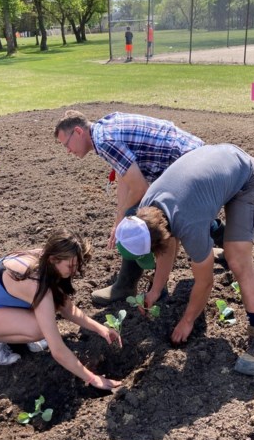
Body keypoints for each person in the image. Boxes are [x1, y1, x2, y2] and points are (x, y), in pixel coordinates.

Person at [112, 144, 254, 376]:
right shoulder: (148, 208)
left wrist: (187, 321)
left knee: (238, 260)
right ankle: (211, 250)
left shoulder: (189, 223)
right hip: (216, 165)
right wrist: (156, 290)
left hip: (246, 177)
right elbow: (167, 244)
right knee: (212, 246)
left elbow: (205, 282)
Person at [54, 110, 224, 305]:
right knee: (164, 216)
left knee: (140, 224)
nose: (68, 150)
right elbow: (124, 180)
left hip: (190, 166)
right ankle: (227, 248)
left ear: (78, 131)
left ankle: (127, 285)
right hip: (192, 158)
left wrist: (123, 220)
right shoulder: (103, 129)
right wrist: (119, 217)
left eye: (66, 144)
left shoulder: (104, 142)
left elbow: (140, 187)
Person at [0, 229, 122, 391]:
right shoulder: (35, 282)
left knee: (47, 312)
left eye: (76, 265)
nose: (74, 271)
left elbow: (66, 308)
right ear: (54, 259)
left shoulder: (47, 260)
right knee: (39, 330)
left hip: (2, 305)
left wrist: (101, 329)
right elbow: (57, 350)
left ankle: (13, 329)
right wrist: (92, 378)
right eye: (70, 266)